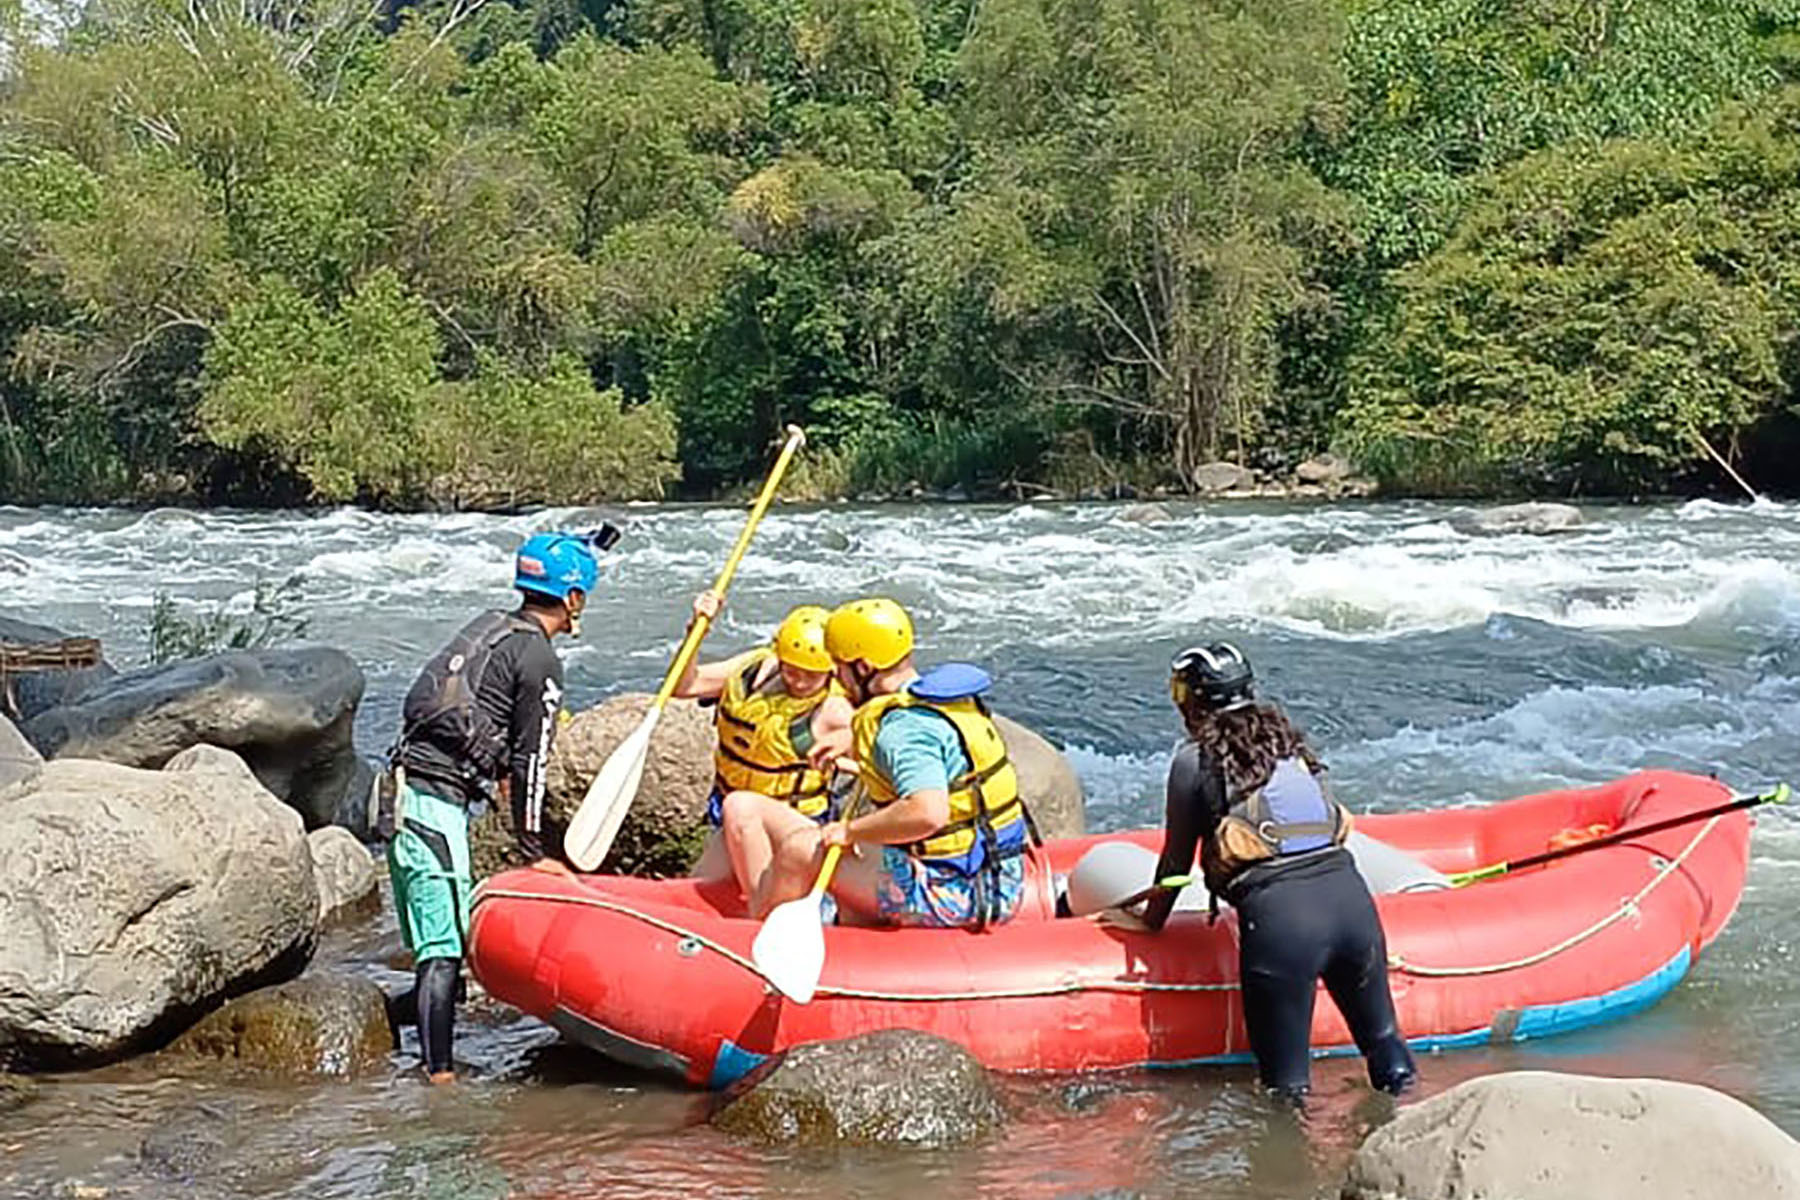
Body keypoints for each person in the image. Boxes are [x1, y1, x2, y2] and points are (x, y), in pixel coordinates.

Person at [1133, 642, 1415, 1105]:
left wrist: (1148, 923)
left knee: (1286, 1090)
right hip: (1352, 904)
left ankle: (1287, 1157)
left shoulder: (1193, 761)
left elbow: (1175, 866)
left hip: (1283, 925)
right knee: (1384, 1042)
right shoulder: (1291, 745)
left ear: (1194, 701)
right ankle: (1412, 1120)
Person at [384, 527, 612, 1083]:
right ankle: (439, 1082)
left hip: (405, 796)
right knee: (442, 954)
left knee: (445, 955)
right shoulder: (540, 659)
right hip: (431, 807)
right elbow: (532, 761)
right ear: (574, 598)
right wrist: (534, 852)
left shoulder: (491, 626)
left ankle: (386, 1025)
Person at [760, 597, 1032, 928]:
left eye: (840, 668)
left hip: (957, 892)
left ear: (863, 667)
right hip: (997, 875)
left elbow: (927, 812)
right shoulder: (932, 702)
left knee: (798, 850)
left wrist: (849, 831)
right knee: (853, 858)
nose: (838, 679)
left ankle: (756, 945)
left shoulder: (903, 731)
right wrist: (851, 740)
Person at [672, 592, 853, 911]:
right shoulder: (752, 670)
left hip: (794, 826)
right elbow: (684, 686)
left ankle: (764, 914)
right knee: (695, 892)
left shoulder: (834, 709)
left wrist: (849, 746)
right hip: (735, 820)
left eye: (812, 675)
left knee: (741, 810)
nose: (800, 682)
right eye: (792, 670)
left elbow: (874, 757)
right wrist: (695, 632)